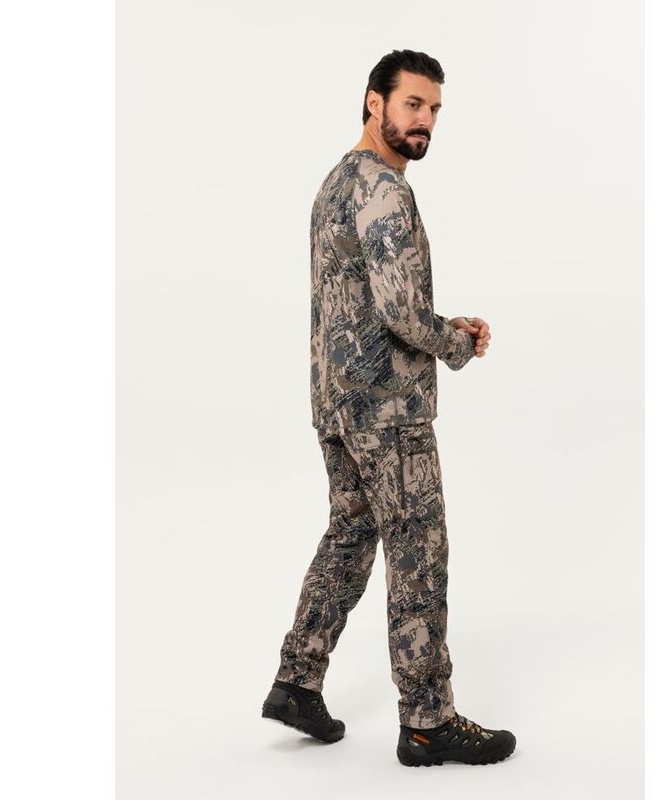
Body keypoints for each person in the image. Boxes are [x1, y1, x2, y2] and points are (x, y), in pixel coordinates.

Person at [261, 49, 516, 767]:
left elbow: (361, 302)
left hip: (336, 402)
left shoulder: (335, 182)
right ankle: (428, 720)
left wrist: (435, 329)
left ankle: (297, 679)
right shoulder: (384, 188)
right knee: (419, 550)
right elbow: (401, 311)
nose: (425, 120)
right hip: (388, 410)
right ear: (374, 102)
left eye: (434, 109)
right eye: (413, 104)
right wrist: (456, 342)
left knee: (351, 534)